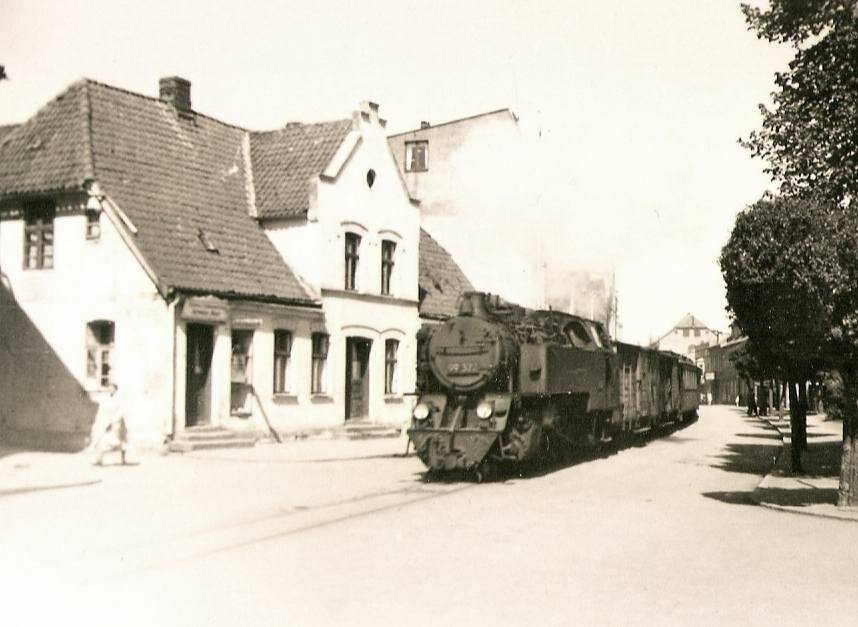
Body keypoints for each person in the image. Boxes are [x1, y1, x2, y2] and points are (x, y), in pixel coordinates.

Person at [91, 383, 129, 466]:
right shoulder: (105, 398)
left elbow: (122, 410)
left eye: (112, 388)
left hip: (117, 422)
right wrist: (100, 421)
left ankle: (123, 459)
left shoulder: (120, 398)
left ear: (116, 389)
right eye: (109, 388)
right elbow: (101, 410)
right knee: (102, 440)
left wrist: (114, 421)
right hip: (105, 421)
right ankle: (99, 460)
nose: (110, 390)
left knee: (121, 441)